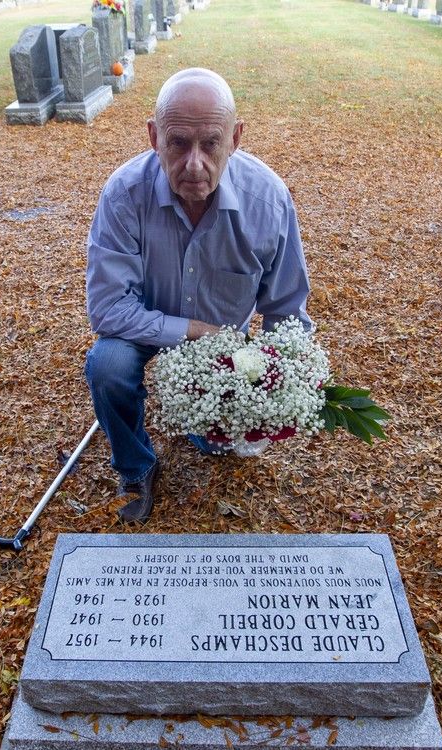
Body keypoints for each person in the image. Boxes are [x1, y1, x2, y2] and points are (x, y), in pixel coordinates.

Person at [84, 68, 312, 524]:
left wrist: (279, 390)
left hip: (221, 349)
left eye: (210, 144)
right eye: (178, 143)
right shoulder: (124, 195)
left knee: (220, 440)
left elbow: (287, 311)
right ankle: (135, 464)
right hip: (142, 326)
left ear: (236, 138)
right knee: (107, 367)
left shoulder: (268, 201)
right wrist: (190, 330)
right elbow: (108, 309)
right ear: (153, 136)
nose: (194, 164)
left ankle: (202, 420)